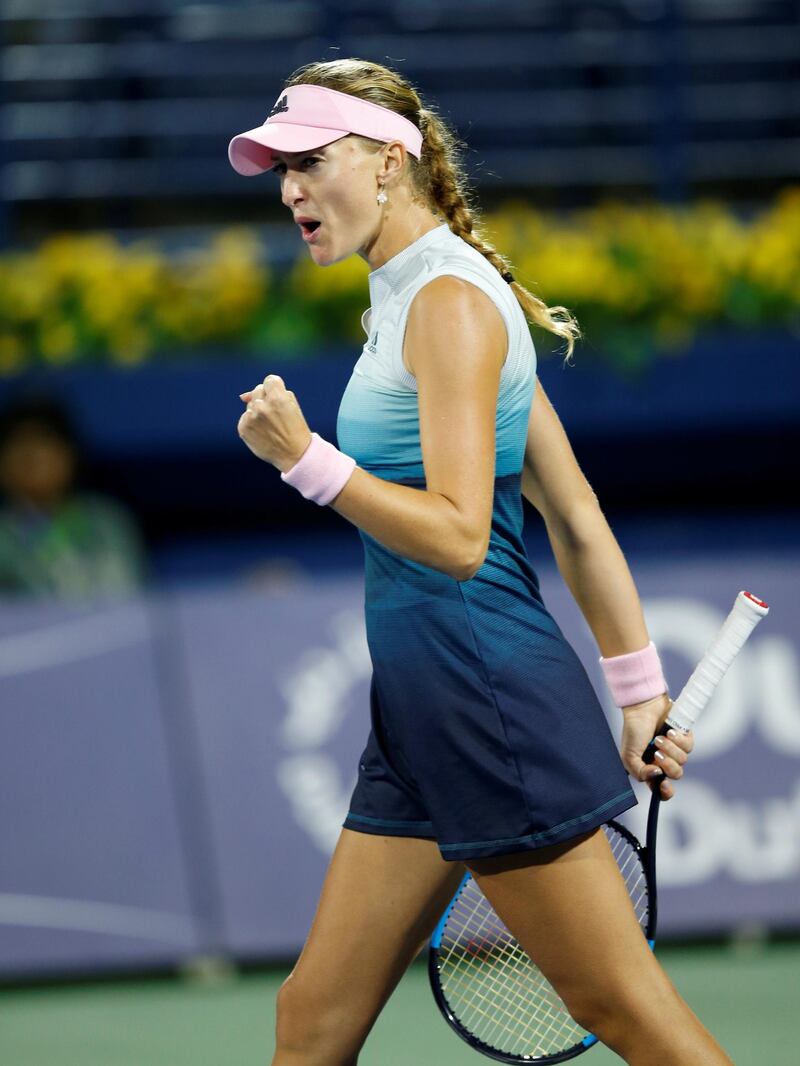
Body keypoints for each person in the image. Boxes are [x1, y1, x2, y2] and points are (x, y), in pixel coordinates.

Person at [230, 59, 731, 1066]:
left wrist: (307, 463)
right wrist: (636, 691)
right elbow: (574, 510)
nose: (287, 189)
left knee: (626, 1011)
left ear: (385, 160)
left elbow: (462, 536)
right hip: (422, 712)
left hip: (481, 698)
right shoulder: (415, 296)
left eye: (308, 161)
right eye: (276, 169)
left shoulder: (449, 305)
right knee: (312, 1018)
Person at [0, 393, 147, 599]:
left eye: (45, 441)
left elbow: (135, 598)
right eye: (19, 444)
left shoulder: (108, 521)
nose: (32, 455)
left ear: (69, 455)